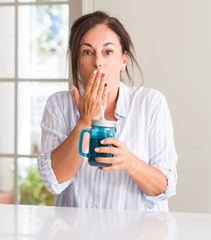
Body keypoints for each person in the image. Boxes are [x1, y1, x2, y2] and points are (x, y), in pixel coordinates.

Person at [38, 11, 178, 211]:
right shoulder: (59, 105)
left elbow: (165, 187)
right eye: (87, 52)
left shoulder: (151, 103)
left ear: (123, 60)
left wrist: (130, 162)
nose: (98, 62)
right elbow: (53, 182)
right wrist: (85, 121)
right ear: (78, 62)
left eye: (108, 52)